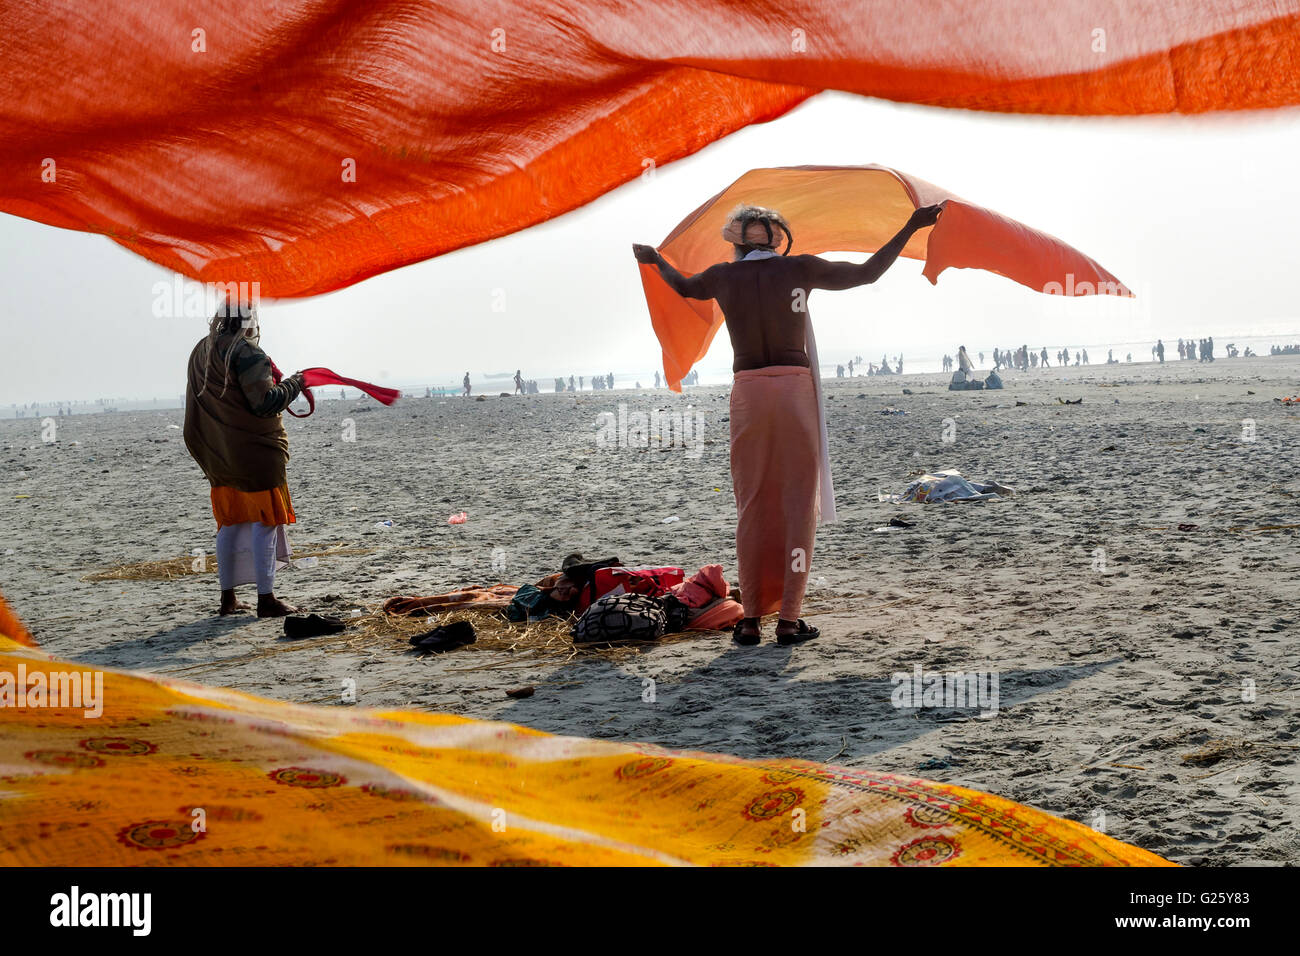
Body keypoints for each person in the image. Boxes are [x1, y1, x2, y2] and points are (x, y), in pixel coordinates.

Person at [634, 200, 943, 645]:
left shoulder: (722, 277)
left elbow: (682, 285)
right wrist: (912, 225)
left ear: (734, 242)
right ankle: (790, 621)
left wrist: (653, 259)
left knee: (753, 504)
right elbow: (868, 273)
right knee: (799, 503)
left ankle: (749, 620)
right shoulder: (799, 269)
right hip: (794, 391)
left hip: (750, 392)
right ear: (778, 238)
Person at [184, 303, 304, 617]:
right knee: (265, 523)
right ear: (249, 320)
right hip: (254, 454)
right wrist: (296, 383)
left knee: (230, 524)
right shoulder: (248, 353)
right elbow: (265, 403)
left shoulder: (203, 349)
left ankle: (228, 600)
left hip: (217, 453)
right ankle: (267, 599)